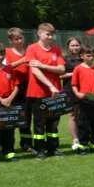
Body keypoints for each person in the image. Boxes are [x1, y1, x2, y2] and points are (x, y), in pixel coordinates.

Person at [25, 23, 66, 159]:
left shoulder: (56, 50)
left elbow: (62, 69)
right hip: (38, 92)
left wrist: (43, 65)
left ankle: (53, 148)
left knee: (53, 123)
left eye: (51, 34)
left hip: (55, 93)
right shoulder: (32, 49)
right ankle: (40, 150)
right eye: (47, 34)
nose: (50, 37)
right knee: (39, 123)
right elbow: (35, 71)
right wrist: (50, 85)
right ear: (39, 33)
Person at [3, 28, 33, 153]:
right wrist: (22, 60)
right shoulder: (6, 52)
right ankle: (7, 146)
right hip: (13, 87)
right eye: (16, 39)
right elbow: (4, 68)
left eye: (21, 38)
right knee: (11, 116)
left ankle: (26, 144)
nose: (19, 41)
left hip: (28, 87)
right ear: (10, 40)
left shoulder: (29, 51)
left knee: (26, 117)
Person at [62, 37, 83, 152]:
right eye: (72, 45)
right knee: (72, 115)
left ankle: (84, 138)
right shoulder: (64, 59)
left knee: (83, 114)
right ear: (68, 47)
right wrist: (74, 73)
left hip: (84, 90)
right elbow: (60, 75)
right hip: (69, 90)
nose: (75, 48)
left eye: (77, 45)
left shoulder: (83, 58)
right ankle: (75, 140)